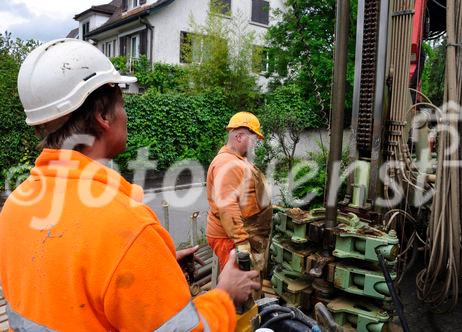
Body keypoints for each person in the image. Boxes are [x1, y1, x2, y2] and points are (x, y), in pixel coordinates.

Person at [0, 38, 260, 331]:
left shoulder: (15, 206)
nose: (126, 114)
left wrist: (153, 268)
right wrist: (225, 295)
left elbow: (61, 284)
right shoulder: (127, 229)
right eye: (122, 103)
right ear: (102, 117)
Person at [206, 112, 273, 275]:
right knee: (239, 287)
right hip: (231, 240)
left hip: (239, 235)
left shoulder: (238, 159)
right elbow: (227, 206)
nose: (255, 145)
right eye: (254, 140)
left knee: (247, 286)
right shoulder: (227, 164)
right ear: (240, 136)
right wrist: (242, 244)